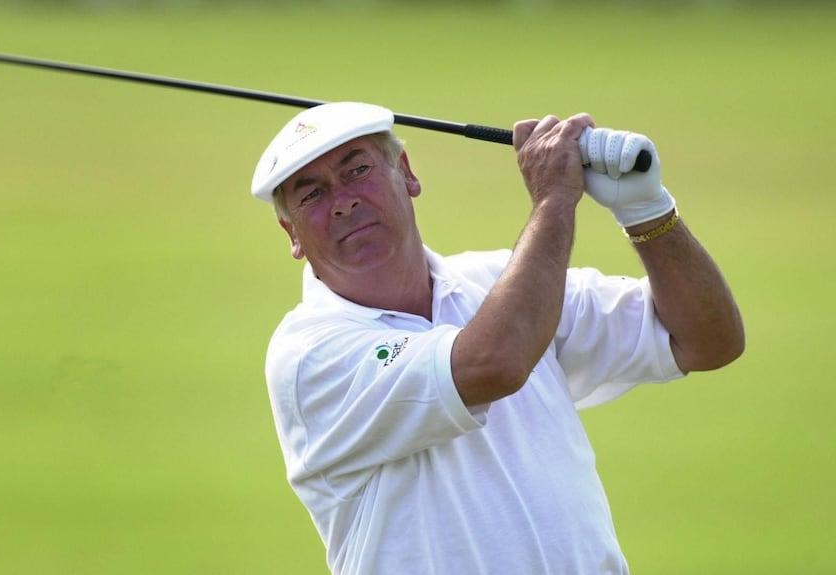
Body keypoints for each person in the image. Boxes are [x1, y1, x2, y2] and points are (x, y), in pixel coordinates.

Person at [250, 102, 744, 575]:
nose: (344, 201)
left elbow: (708, 339)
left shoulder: (503, 283)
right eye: (311, 193)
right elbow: (495, 362)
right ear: (290, 231)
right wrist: (553, 199)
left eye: (357, 170)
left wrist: (649, 213)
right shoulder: (308, 355)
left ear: (407, 171)